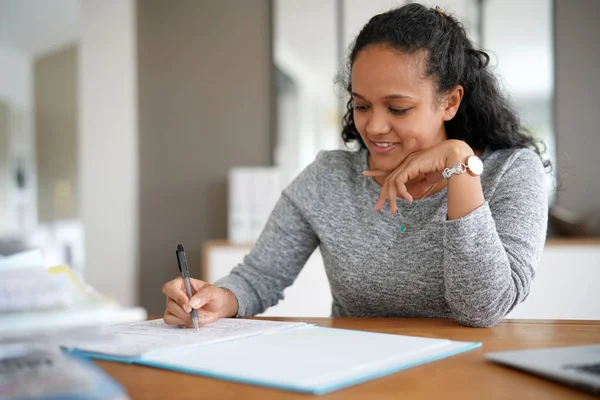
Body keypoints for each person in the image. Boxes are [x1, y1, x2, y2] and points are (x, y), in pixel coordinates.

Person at [162, 3, 549, 328]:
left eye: (398, 108)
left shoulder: (512, 171)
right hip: (354, 375)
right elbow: (259, 278)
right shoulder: (329, 178)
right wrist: (218, 299)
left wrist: (460, 166)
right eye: (362, 105)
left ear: (450, 101)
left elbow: (484, 307)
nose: (374, 126)